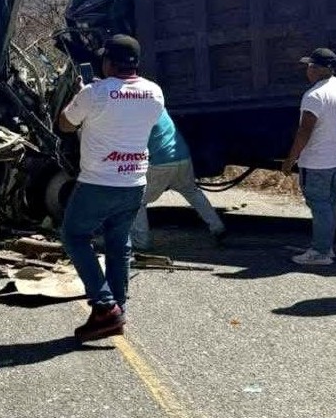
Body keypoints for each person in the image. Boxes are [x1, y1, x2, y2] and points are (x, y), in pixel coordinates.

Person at [58, 34, 164, 343]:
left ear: (107, 62)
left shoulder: (95, 92)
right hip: (134, 182)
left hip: (98, 182)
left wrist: (78, 96)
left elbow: (65, 124)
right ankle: (116, 311)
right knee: (119, 244)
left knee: (74, 236)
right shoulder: (154, 92)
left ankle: (105, 305)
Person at [280, 48, 336, 266]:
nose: (308, 70)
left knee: (320, 205)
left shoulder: (314, 96)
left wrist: (290, 159)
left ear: (320, 68)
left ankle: (321, 252)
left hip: (317, 161)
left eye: (311, 66)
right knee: (330, 203)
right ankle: (326, 247)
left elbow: (304, 132)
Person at [129, 109, 227, 251]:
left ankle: (141, 243)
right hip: (182, 156)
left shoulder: (135, 115)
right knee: (191, 191)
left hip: (161, 163)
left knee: (136, 200)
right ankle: (218, 227)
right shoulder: (158, 107)